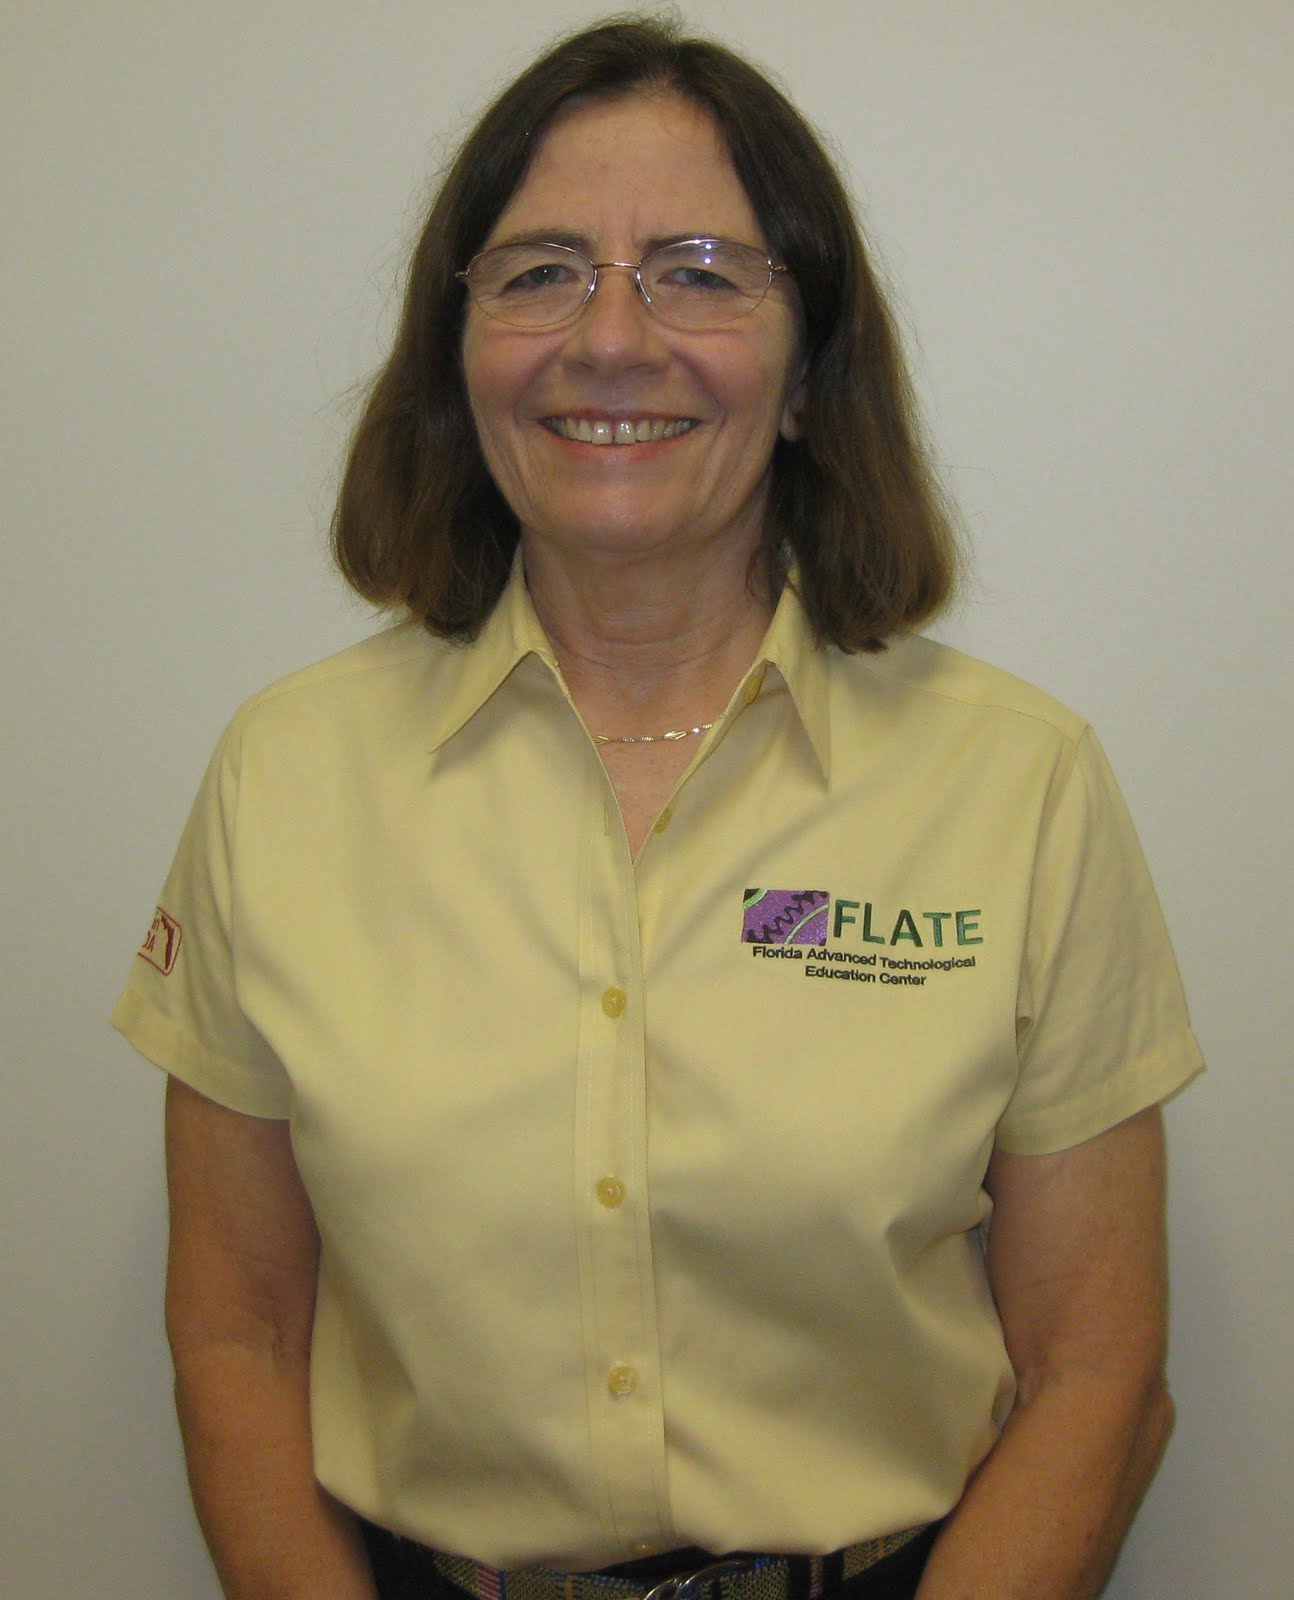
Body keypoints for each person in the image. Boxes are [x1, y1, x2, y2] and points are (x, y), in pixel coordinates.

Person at [112, 15, 1203, 1600]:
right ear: (456, 355)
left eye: (698, 272)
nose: (611, 338)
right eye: (540, 271)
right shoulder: (282, 775)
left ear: (809, 371)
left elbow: (1095, 1372)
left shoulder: (1017, 783)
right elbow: (236, 1335)